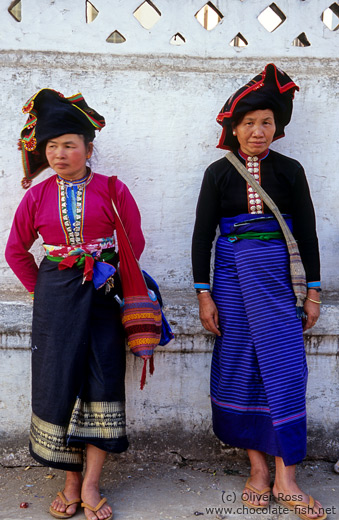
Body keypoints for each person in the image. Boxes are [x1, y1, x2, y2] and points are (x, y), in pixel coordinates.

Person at [192, 64, 326, 520]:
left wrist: (312, 292)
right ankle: (258, 473)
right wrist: (204, 295)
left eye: (266, 122)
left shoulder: (291, 171)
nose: (257, 130)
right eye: (248, 123)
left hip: (279, 286)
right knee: (243, 368)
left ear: (277, 126)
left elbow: (306, 234)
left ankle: (287, 478)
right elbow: (201, 236)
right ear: (233, 127)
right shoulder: (218, 174)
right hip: (231, 283)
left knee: (287, 371)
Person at [6, 89, 145, 520]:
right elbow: (16, 251)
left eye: (69, 144)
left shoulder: (113, 190)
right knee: (59, 384)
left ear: (88, 148)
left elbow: (133, 244)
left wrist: (106, 274)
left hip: (102, 296)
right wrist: (41, 291)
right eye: (52, 147)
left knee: (101, 382)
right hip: (56, 301)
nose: (61, 154)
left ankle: (90, 483)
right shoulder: (37, 196)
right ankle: (68, 480)